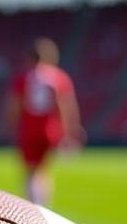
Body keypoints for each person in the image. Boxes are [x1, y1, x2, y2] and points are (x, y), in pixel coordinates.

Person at [5, 38, 82, 206]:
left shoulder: (24, 77)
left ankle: (32, 205)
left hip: (28, 128)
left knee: (30, 171)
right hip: (50, 129)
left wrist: (11, 127)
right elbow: (65, 106)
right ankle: (44, 205)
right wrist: (69, 131)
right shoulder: (59, 77)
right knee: (44, 170)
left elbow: (14, 105)